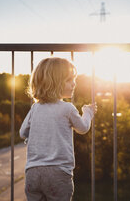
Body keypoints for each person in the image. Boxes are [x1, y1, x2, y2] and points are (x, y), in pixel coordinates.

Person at [20, 57, 96, 201]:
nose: (74, 84)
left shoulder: (35, 108)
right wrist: (88, 113)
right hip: (58, 173)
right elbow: (83, 128)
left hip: (33, 172)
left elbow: (22, 132)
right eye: (69, 80)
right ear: (54, 83)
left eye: (74, 79)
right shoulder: (67, 108)